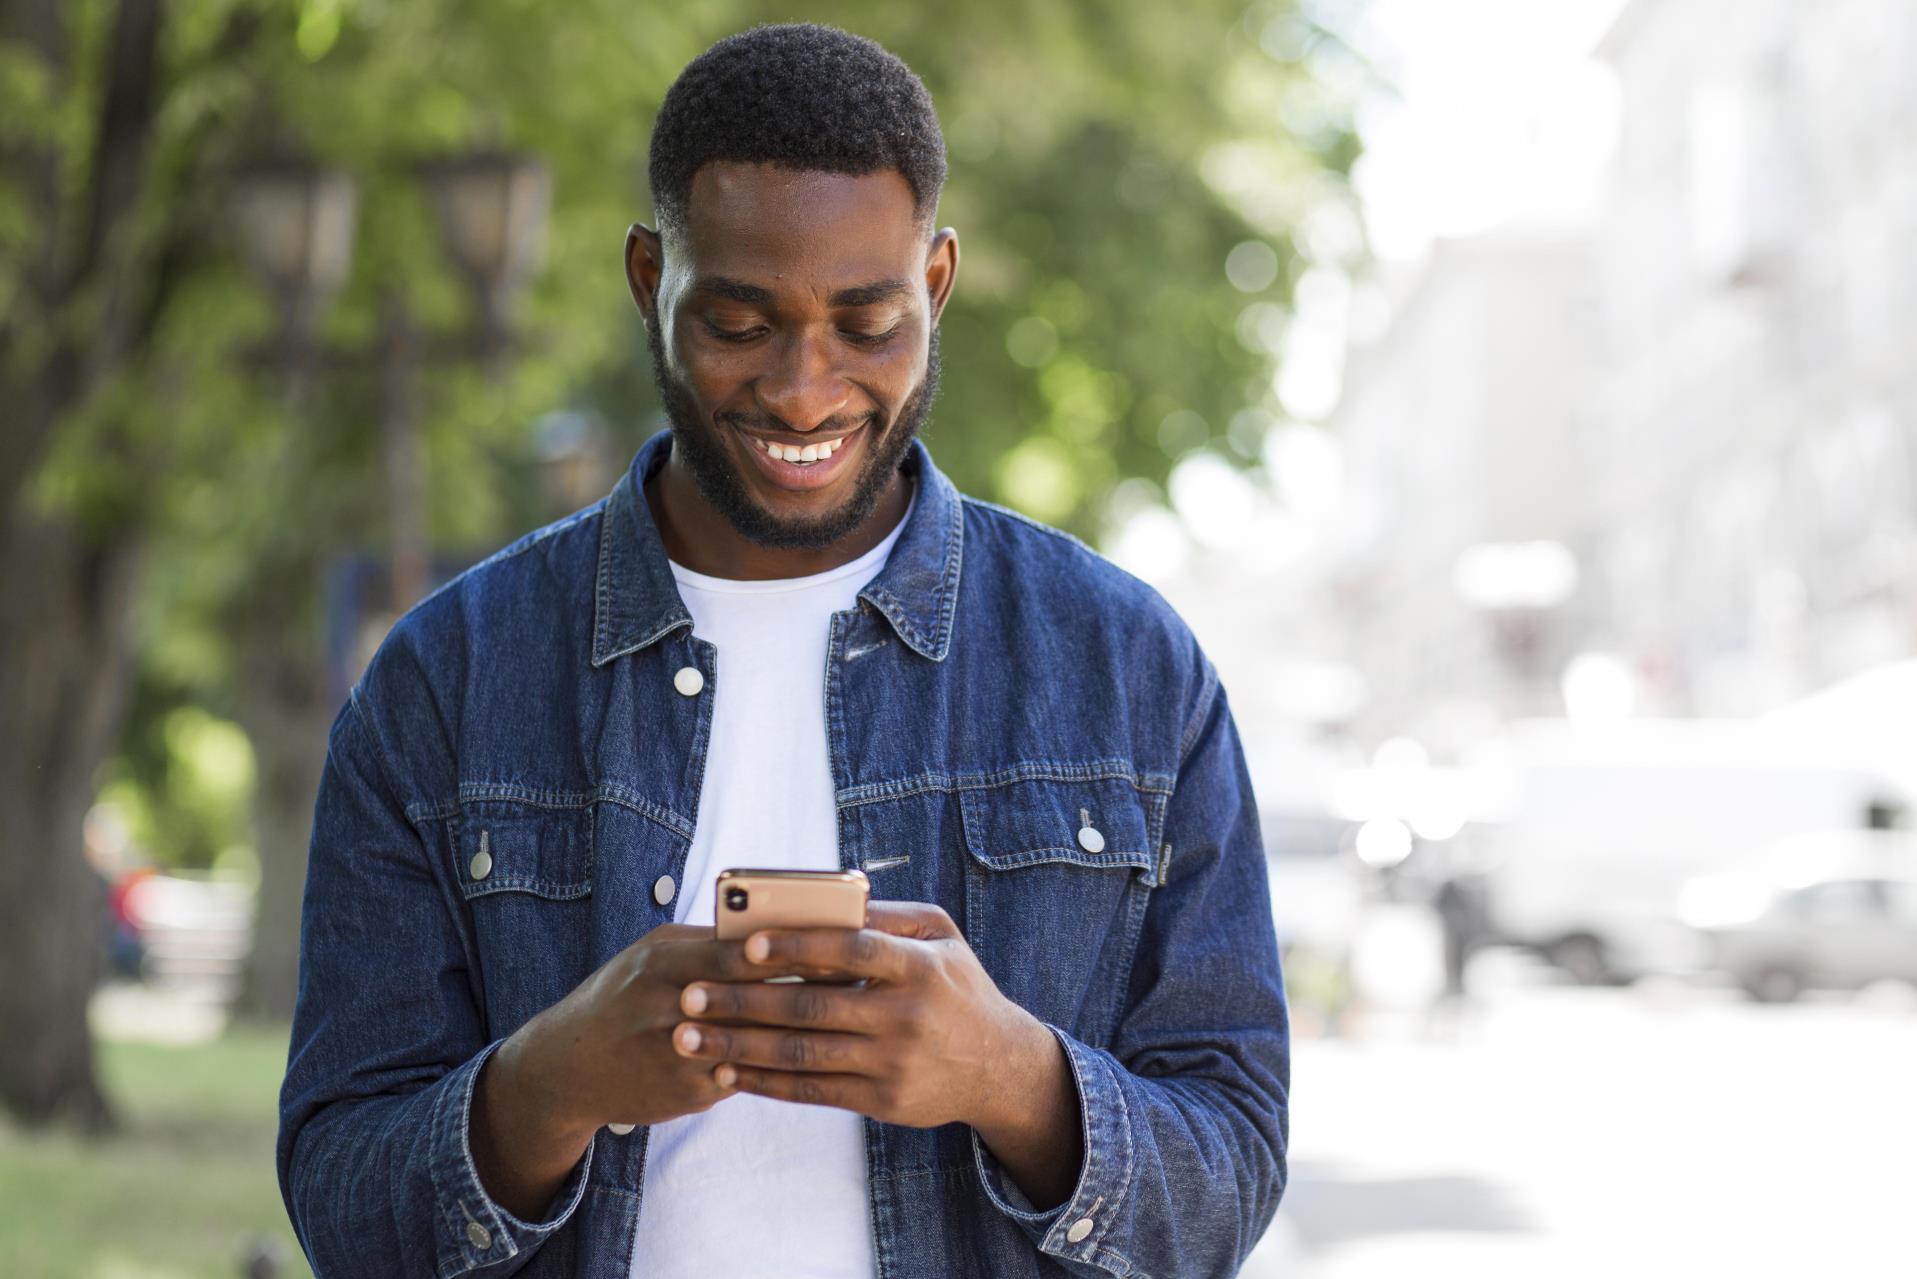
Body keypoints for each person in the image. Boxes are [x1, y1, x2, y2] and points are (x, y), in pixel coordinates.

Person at [276, 24, 1289, 1279]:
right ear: (652, 281)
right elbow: (338, 1195)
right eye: (741, 323)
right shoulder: (447, 679)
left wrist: (1014, 1082)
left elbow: (1232, 1169)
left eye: (868, 324)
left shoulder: (1130, 669)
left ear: (941, 282)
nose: (806, 391)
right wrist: (548, 1084)